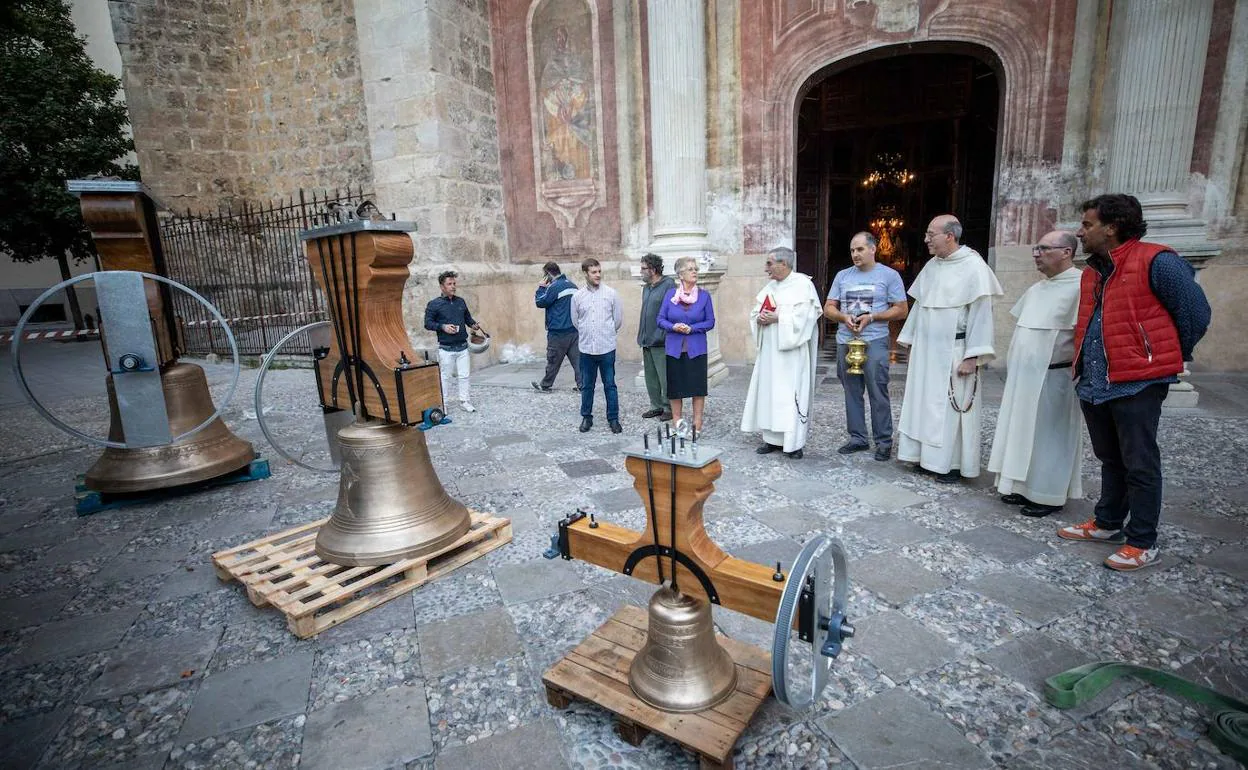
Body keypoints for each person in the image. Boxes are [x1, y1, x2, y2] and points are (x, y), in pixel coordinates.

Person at [1057, 194, 1211, 571]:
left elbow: (1195, 313)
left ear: (1112, 226)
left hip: (1138, 381)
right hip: (1095, 380)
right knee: (1110, 457)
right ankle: (1108, 522)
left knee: (1140, 462)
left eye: (1088, 224)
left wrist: (1158, 357)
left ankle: (1142, 540)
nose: (1082, 231)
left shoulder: (1158, 261)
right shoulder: (1094, 269)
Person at [896, 215, 1003, 483]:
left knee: (951, 409)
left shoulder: (974, 267)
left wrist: (973, 356)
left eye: (931, 234)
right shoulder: (932, 266)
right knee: (923, 403)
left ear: (950, 236)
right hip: (926, 351)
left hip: (954, 351)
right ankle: (923, 457)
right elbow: (920, 306)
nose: (926, 239)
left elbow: (981, 315)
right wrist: (909, 342)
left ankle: (952, 464)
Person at [987, 231, 1084, 517]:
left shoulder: (1081, 286)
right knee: (1022, 431)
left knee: (1049, 436)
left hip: (1054, 377)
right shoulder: (1039, 288)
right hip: (1025, 378)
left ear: (1066, 252)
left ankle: (1048, 494)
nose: (1036, 254)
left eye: (1043, 249)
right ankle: (1020, 486)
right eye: (1035, 248)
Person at [824, 232, 908, 461]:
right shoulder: (842, 276)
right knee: (851, 390)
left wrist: (873, 317)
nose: (855, 254)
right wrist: (843, 318)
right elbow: (828, 307)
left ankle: (883, 442)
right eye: (852, 250)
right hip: (845, 341)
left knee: (877, 390)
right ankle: (857, 438)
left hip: (875, 340)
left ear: (873, 249)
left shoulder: (889, 275)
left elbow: (901, 309)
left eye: (860, 249)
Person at [740, 247, 822, 459]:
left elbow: (807, 317)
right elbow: (755, 311)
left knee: (789, 395)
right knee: (769, 394)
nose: (766, 268)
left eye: (769, 263)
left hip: (791, 355)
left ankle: (793, 443)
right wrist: (758, 318)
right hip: (769, 353)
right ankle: (770, 439)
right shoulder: (770, 286)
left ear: (783, 264)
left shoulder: (803, 285)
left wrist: (778, 318)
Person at [657, 256, 715, 435]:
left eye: (695, 269)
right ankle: (677, 423)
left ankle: (697, 424)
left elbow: (710, 322)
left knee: (697, 387)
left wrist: (692, 329)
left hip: (696, 348)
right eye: (690, 269)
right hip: (674, 348)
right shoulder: (670, 296)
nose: (694, 272)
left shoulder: (704, 296)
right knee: (676, 389)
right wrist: (673, 326)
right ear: (680, 275)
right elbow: (660, 319)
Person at [571, 257, 624, 433]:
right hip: (586, 349)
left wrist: (605, 333)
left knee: (610, 384)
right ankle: (586, 418)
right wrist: (589, 333)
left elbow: (617, 320)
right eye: (594, 272)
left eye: (599, 271)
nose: (598, 275)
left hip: (606, 348)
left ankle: (613, 419)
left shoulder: (611, 294)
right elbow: (576, 321)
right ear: (585, 273)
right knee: (587, 385)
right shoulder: (577, 297)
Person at [423, 270, 483, 413]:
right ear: (442, 287)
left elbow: (468, 319)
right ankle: (443, 404)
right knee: (445, 377)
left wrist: (474, 325)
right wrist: (443, 327)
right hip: (446, 349)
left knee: (464, 376)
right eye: (449, 284)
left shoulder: (460, 301)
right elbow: (427, 323)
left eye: (454, 283)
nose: (453, 286)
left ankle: (465, 401)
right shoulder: (434, 304)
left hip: (462, 347)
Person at [532, 261, 582, 392]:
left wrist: (541, 287)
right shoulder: (572, 285)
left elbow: (540, 302)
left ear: (548, 274)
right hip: (574, 331)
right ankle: (582, 385)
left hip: (558, 332)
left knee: (553, 360)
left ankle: (545, 385)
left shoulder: (554, 287)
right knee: (578, 362)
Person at [637, 253, 676, 420]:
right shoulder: (646, 287)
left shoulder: (669, 285)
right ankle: (656, 405)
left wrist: (663, 333)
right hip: (647, 338)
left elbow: (673, 312)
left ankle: (668, 407)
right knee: (650, 376)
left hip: (661, 339)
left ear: (653, 270)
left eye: (643, 268)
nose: (641, 272)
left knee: (664, 376)